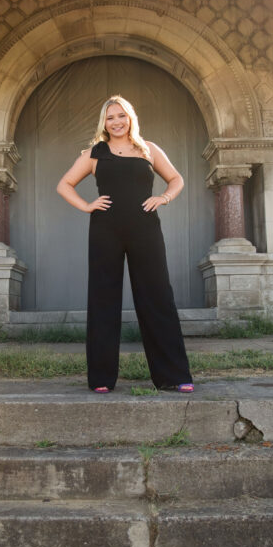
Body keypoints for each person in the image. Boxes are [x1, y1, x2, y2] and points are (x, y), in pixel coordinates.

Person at [56, 95, 194, 394]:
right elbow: (64, 184)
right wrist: (87, 205)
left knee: (158, 297)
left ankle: (174, 375)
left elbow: (176, 179)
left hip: (145, 228)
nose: (116, 122)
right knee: (103, 299)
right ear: (103, 123)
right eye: (110, 117)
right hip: (106, 229)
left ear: (130, 117)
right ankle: (102, 378)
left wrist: (164, 198)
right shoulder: (95, 153)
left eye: (121, 115)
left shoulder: (148, 149)